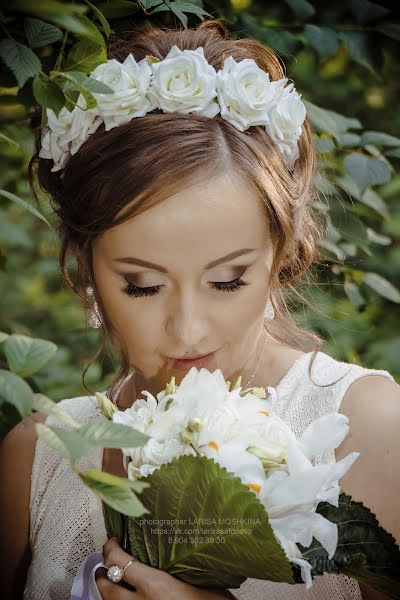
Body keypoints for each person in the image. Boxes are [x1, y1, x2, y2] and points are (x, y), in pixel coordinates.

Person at [0, 19, 399, 600]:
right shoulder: (37, 459)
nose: (188, 330)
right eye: (141, 286)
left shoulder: (375, 431)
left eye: (228, 280)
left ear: (280, 253)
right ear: (86, 269)